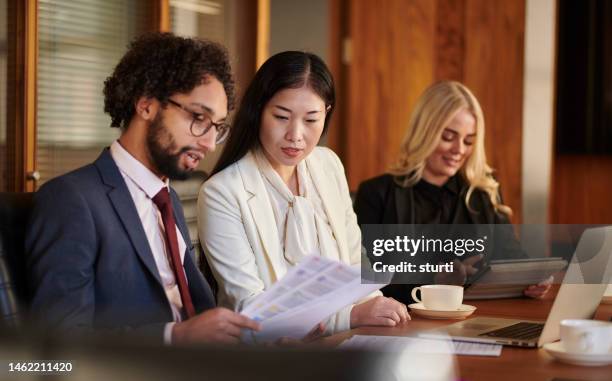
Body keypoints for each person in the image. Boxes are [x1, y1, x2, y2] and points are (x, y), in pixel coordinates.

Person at [25, 32, 260, 344]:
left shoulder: (169, 199)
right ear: (147, 104)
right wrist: (173, 337)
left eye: (216, 128)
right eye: (199, 118)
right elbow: (59, 347)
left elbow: (198, 312)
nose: (208, 142)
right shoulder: (71, 200)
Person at [198, 51, 409, 334]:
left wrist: (377, 307)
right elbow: (248, 308)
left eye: (311, 120)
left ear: (327, 114)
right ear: (258, 111)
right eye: (282, 117)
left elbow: (356, 261)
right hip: (271, 357)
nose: (296, 135)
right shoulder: (222, 192)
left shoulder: (328, 164)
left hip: (349, 341)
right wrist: (350, 316)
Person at [354, 80, 551, 304]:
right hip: (404, 323)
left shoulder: (484, 191)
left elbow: (512, 258)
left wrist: (531, 280)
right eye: (448, 137)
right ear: (424, 132)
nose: (459, 150)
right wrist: (433, 280)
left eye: (468, 141)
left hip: (479, 319)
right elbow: (367, 281)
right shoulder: (376, 194)